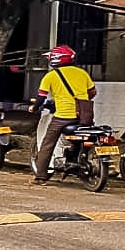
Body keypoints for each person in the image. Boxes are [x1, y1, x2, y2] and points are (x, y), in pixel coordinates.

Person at [31, 45, 97, 185]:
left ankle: (40, 176)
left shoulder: (51, 76)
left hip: (63, 117)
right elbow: (92, 93)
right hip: (83, 117)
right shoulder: (82, 73)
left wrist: (34, 108)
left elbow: (41, 98)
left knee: (47, 144)